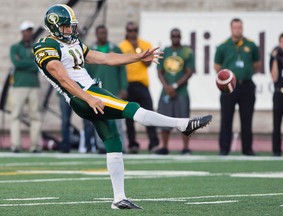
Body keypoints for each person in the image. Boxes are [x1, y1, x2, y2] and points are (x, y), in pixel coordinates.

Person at [33, 4, 212, 209]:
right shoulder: (44, 46)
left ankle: (119, 199)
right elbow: (63, 79)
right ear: (54, 26)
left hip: (88, 92)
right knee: (131, 108)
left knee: (113, 140)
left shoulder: (73, 43)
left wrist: (137, 57)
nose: (70, 30)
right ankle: (182, 124)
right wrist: (89, 98)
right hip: (83, 95)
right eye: (66, 26)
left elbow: (106, 58)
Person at [214, 18, 260, 156]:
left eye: (239, 27)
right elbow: (217, 66)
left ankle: (247, 149)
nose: (237, 30)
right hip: (228, 88)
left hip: (246, 85)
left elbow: (257, 65)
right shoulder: (223, 46)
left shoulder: (251, 45)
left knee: (247, 118)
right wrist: (227, 79)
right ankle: (224, 148)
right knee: (226, 118)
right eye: (235, 28)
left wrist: (245, 73)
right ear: (231, 28)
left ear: (242, 28)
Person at [85, 24, 128, 153]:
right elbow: (85, 72)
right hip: (97, 92)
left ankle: (121, 146)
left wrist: (124, 87)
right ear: (96, 34)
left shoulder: (115, 49)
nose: (103, 35)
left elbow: (122, 70)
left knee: (118, 119)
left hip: (113, 89)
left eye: (105, 33)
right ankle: (101, 146)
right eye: (100, 33)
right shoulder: (89, 51)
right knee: (100, 119)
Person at [119, 21, 159, 153]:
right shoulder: (122, 46)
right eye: (130, 31)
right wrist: (122, 87)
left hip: (142, 84)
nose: (132, 33)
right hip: (128, 84)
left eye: (135, 30)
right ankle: (133, 144)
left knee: (149, 113)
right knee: (129, 117)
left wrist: (139, 49)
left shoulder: (145, 45)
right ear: (126, 31)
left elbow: (148, 64)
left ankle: (153, 143)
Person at [154, 28, 194, 155]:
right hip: (166, 91)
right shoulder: (165, 51)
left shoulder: (187, 52)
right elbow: (159, 72)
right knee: (164, 119)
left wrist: (175, 86)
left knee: (184, 120)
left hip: (181, 92)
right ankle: (164, 146)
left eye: (177, 35)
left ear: (180, 37)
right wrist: (167, 87)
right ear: (170, 37)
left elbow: (189, 72)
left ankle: (185, 147)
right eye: (173, 36)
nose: (175, 38)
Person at [9, 20, 42, 153]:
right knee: (15, 115)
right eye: (27, 30)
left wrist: (26, 63)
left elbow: (39, 65)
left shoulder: (37, 47)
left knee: (36, 116)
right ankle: (15, 145)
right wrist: (32, 64)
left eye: (30, 30)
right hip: (19, 86)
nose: (29, 33)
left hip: (34, 85)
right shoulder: (15, 47)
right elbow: (17, 63)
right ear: (22, 32)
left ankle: (35, 146)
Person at [270, 32, 283, 156]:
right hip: (279, 92)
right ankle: (276, 150)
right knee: (277, 123)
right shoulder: (275, 57)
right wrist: (276, 59)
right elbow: (274, 77)